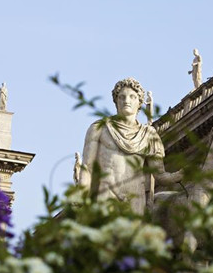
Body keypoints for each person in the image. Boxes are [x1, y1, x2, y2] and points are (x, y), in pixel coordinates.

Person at [78, 78, 182, 214]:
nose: (126, 100)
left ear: (139, 102)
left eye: (132, 97)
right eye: (122, 97)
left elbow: (160, 175)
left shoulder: (149, 135)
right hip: (106, 195)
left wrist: (181, 174)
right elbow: (88, 167)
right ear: (116, 101)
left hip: (134, 200)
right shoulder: (100, 128)